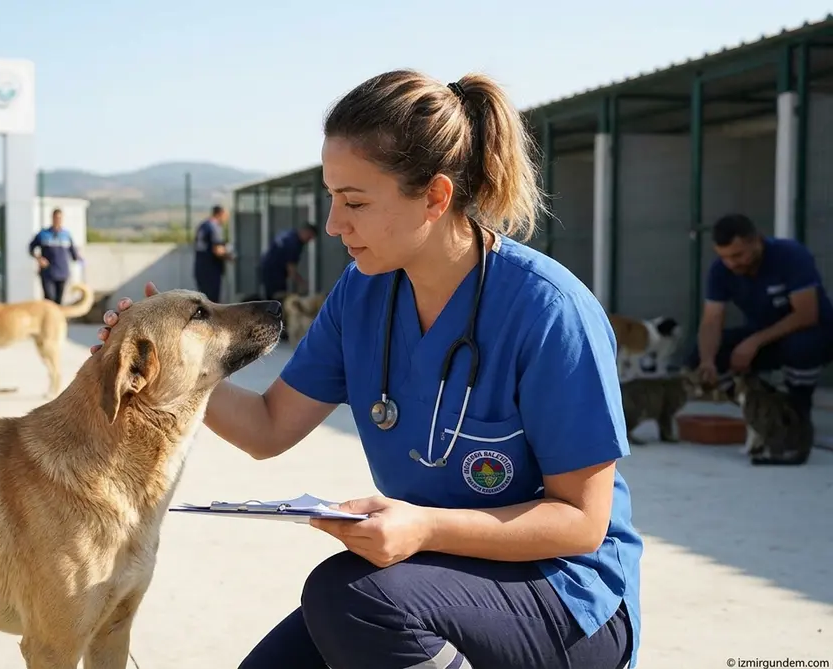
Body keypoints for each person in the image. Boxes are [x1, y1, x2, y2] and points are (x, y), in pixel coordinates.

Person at [92, 69, 640, 669]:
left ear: (435, 196)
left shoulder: (548, 310)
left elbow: (582, 523)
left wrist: (426, 528)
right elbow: (269, 427)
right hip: (430, 579)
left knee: (351, 597)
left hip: (565, 600)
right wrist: (173, 366)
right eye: (331, 198)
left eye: (354, 202)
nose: (333, 225)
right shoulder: (363, 294)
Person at [689, 213, 833, 427]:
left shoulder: (790, 255)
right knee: (697, 355)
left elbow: (806, 315)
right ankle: (765, 404)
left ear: (757, 240)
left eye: (738, 255)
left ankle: (799, 413)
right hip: (763, 336)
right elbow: (711, 321)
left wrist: (753, 342)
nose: (731, 263)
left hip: (813, 334)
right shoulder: (720, 270)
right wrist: (707, 360)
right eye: (724, 257)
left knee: (802, 347)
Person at [28, 208, 81, 304]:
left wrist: (79, 258)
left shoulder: (66, 235)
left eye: (60, 218)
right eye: (56, 218)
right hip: (48, 272)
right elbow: (31, 248)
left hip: (62, 272)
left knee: (59, 301)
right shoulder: (43, 234)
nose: (58, 220)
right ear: (52, 218)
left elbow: (74, 253)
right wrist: (39, 259)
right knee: (49, 299)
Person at [259, 224, 317, 299]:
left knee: (270, 297)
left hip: (266, 267)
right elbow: (291, 268)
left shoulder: (290, 234)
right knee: (278, 299)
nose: (309, 241)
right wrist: (301, 283)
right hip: (275, 273)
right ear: (307, 232)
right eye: (310, 237)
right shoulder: (294, 243)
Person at [193, 204, 233, 302]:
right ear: (220, 213)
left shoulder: (203, 225)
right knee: (212, 304)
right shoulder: (214, 227)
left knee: (203, 302)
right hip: (211, 271)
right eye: (226, 215)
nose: (226, 219)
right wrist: (230, 256)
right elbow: (217, 250)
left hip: (200, 269)